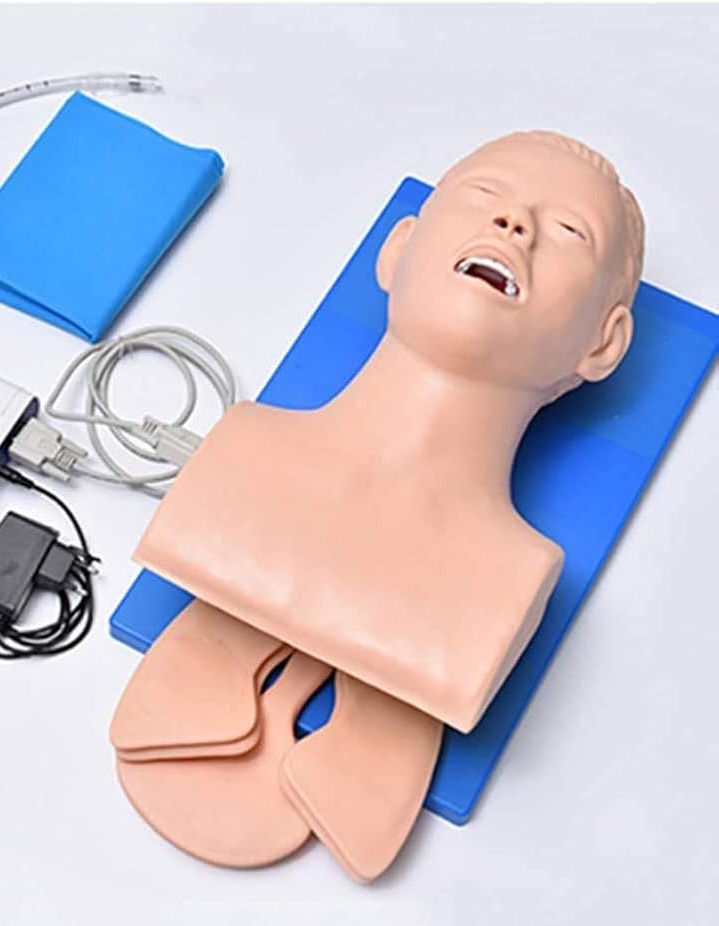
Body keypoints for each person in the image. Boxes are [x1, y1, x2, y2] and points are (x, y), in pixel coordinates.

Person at [134, 131, 646, 733]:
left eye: (569, 231)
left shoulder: (509, 580)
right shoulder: (236, 458)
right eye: (486, 194)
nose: (515, 224)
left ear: (604, 343)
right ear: (397, 249)